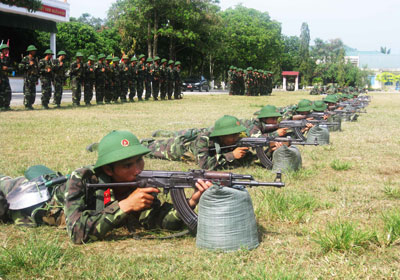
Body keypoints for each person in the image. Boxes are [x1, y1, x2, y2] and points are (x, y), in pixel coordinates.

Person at [64, 130, 211, 244]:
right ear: (108, 170)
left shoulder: (142, 182)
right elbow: (77, 234)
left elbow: (156, 221)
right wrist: (125, 206)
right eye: (127, 165)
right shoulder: (83, 178)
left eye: (139, 160)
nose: (137, 170)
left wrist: (190, 201)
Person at [144, 115, 256, 170]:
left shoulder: (234, 140)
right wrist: (231, 155)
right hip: (177, 148)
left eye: (237, 133)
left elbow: (248, 158)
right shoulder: (204, 139)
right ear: (222, 135)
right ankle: (144, 143)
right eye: (232, 135)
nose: (237, 137)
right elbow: (204, 165)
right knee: (148, 149)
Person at [19, 45, 39, 109]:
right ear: (30, 51)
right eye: (33, 50)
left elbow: (36, 70)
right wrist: (28, 65)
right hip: (28, 78)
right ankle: (27, 105)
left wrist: (36, 79)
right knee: (27, 92)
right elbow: (20, 67)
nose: (34, 52)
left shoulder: (35, 60)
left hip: (33, 78)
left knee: (33, 93)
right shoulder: (25, 59)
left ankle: (30, 104)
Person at [0, 43, 12, 110]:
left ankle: (6, 105)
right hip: (0, 77)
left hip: (5, 77)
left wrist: (7, 68)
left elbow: (11, 68)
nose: (6, 51)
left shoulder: (7, 59)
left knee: (7, 91)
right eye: (5, 50)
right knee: (1, 92)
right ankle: (1, 106)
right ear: (2, 50)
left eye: (7, 50)